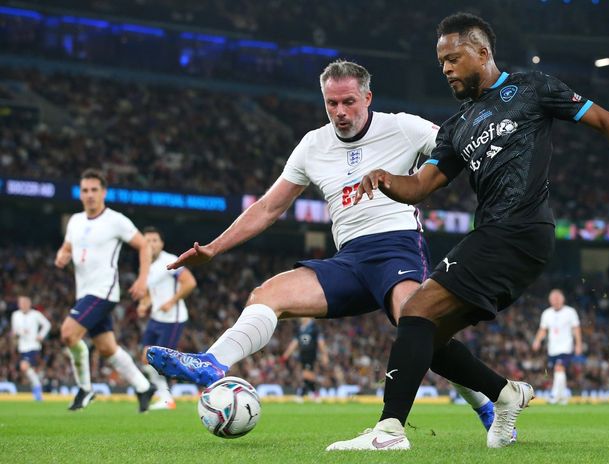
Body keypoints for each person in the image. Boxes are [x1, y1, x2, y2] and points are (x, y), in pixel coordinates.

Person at [327, 12, 609, 451]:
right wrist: (386, 179)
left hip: (520, 229)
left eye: (453, 58)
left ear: (482, 52)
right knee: (425, 334)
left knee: (414, 313)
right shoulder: (454, 129)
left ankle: (390, 431)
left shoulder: (532, 88)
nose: (447, 69)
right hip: (498, 236)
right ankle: (506, 394)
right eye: (441, 63)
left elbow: (606, 121)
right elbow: (421, 186)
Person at [146, 60, 503, 434]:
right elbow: (269, 206)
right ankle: (213, 363)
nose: (340, 112)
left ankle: (486, 401)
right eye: (331, 104)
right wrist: (215, 248)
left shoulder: (401, 126)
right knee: (268, 294)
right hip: (348, 259)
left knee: (420, 326)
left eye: (348, 102)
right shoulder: (313, 145)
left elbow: (458, 146)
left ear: (368, 97)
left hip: (396, 247)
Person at [54, 169, 156, 412]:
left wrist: (143, 280)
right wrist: (62, 255)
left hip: (104, 291)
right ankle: (144, 387)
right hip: (84, 292)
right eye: (85, 190)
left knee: (69, 333)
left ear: (104, 193)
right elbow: (67, 247)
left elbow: (144, 246)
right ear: (80, 193)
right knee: (107, 348)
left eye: (94, 190)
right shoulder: (75, 221)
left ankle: (84, 389)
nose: (89, 195)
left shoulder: (116, 220)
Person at [137, 226, 198, 410]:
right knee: (145, 358)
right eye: (147, 240)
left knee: (161, 360)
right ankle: (162, 394)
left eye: (154, 240)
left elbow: (190, 282)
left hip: (173, 318)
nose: (150, 244)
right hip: (156, 318)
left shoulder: (170, 260)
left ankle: (167, 399)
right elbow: (150, 293)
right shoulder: (146, 265)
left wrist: (172, 301)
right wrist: (144, 304)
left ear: (161, 243)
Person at [531, 289, 582, 405]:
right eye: (553, 299)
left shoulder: (570, 312)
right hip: (553, 349)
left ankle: (554, 396)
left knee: (559, 368)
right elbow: (543, 329)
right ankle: (563, 397)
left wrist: (578, 344)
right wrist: (537, 341)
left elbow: (576, 329)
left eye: (558, 298)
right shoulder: (546, 313)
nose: (556, 301)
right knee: (559, 371)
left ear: (563, 299)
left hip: (566, 347)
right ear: (550, 301)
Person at [11, 295, 51, 401]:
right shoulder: (15, 315)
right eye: (20, 303)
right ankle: (37, 387)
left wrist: (41, 335)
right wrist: (18, 333)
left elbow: (47, 324)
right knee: (28, 370)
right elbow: (14, 330)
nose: (22, 305)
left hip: (33, 346)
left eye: (24, 303)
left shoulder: (36, 314)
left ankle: (37, 388)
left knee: (24, 366)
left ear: (29, 304)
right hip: (22, 347)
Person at [280, 318, 329, 402]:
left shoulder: (314, 328)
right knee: (308, 376)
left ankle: (302, 394)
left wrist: (325, 355)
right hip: (302, 355)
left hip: (311, 354)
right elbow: (294, 343)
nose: (301, 318)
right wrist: (286, 355)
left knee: (306, 375)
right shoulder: (300, 329)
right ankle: (315, 394)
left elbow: (321, 342)